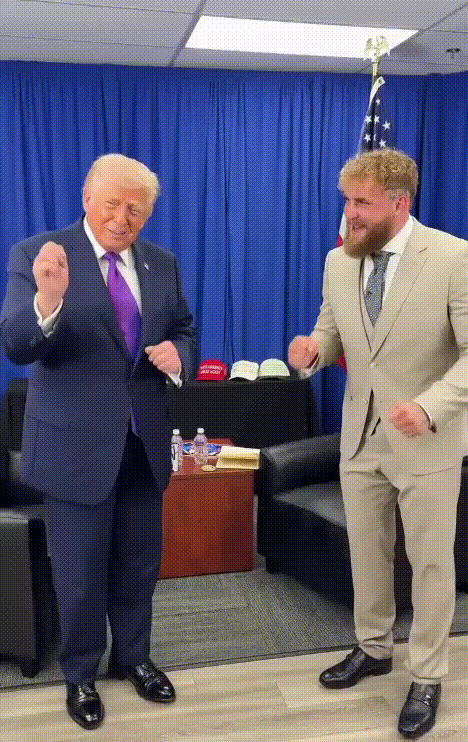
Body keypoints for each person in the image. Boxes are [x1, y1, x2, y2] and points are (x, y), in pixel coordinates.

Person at [0, 154, 196, 730]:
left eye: (136, 208)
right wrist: (48, 302)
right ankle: (81, 674)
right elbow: (16, 345)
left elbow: (184, 328)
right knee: (80, 573)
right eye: (112, 203)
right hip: (73, 450)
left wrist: (179, 355)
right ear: (87, 198)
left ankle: (133, 658)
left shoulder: (162, 263)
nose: (122, 217)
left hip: (143, 444)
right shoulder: (41, 255)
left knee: (139, 566)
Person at [288, 148, 468, 740]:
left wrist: (430, 407)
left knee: (430, 562)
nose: (350, 213)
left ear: (399, 202)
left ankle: (428, 674)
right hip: (359, 438)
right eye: (347, 200)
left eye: (361, 202)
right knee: (367, 552)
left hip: (426, 442)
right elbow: (332, 331)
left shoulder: (453, 257)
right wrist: (312, 352)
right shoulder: (339, 260)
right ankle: (374, 647)